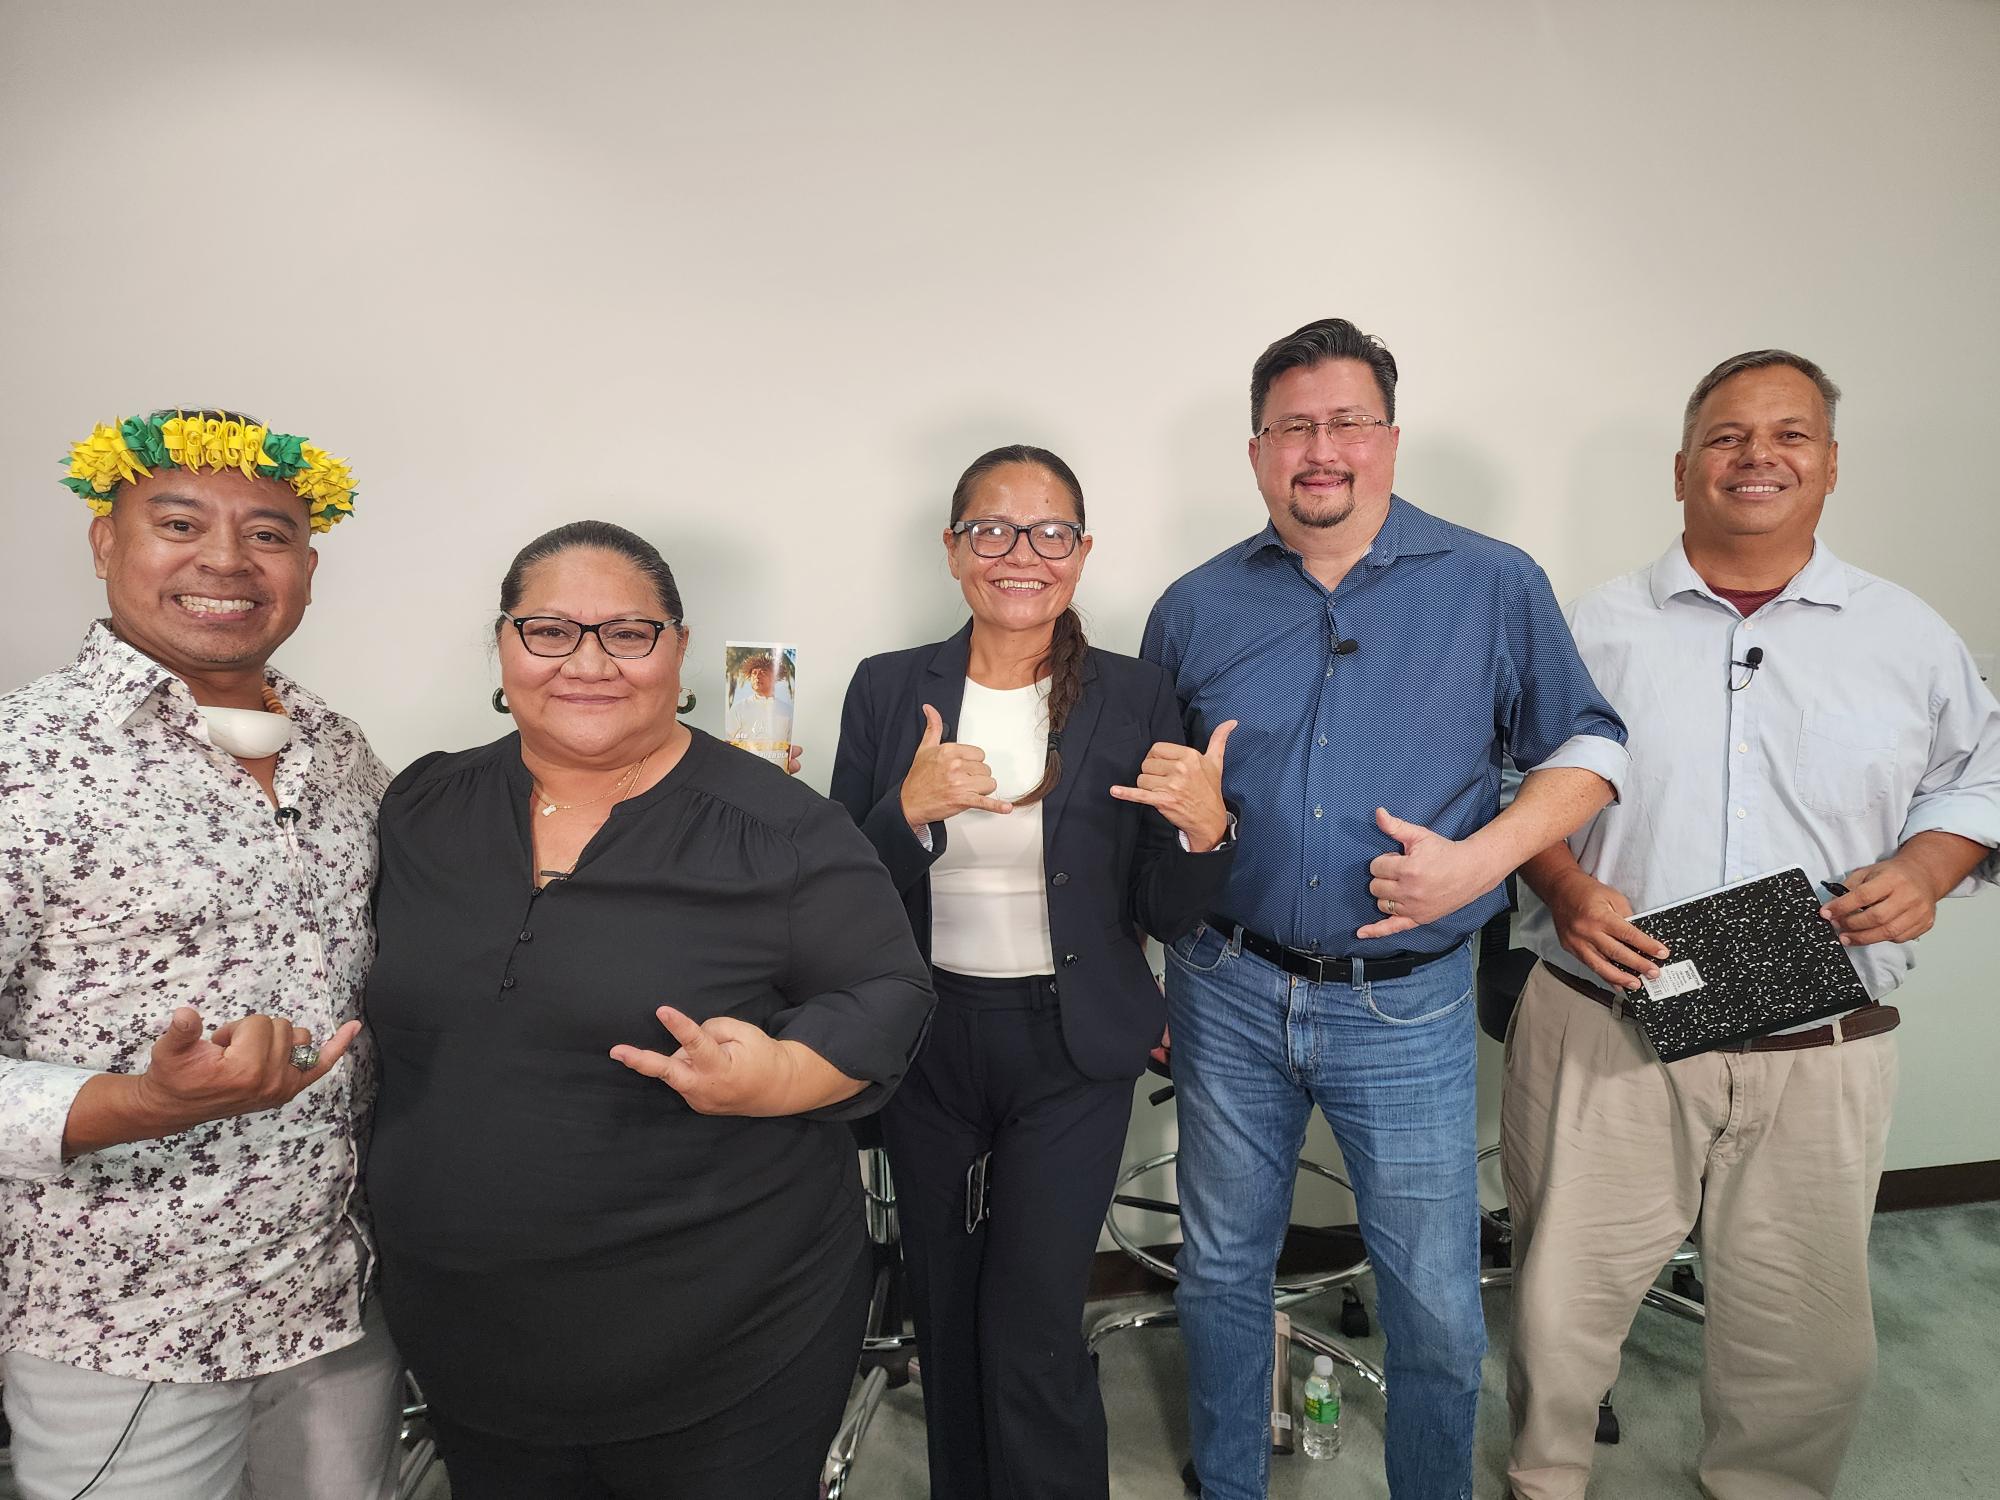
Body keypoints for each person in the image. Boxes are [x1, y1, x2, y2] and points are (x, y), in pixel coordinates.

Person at [1140, 319, 1630, 1500]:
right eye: (1293, 426)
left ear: (1390, 440)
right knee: (1217, 1269)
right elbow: (1153, 803)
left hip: (1403, 1007)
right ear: (1257, 452)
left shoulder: (1490, 581)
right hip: (1227, 984)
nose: (1321, 449)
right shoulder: (1194, 606)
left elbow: (1589, 747)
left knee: (1431, 1297)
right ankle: (1226, 1482)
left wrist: (1485, 861)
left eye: (1346, 422)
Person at [1503, 350, 2000, 1500]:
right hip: (1610, 1014)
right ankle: (1543, 1479)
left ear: (1829, 466)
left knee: (1800, 1318)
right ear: (1681, 470)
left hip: (1819, 1033)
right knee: (1561, 1299)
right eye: (1727, 437)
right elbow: (1502, 789)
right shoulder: (1590, 628)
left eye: (1788, 435)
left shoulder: (1905, 634)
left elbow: (1979, 778)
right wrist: (1570, 892)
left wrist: (1929, 865)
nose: (1755, 456)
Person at [364, 519, 933, 1500]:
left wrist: (774, 1075)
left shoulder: (779, 829)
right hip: (468, 1329)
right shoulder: (422, 805)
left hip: (722, 1338)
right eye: (549, 630)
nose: (588, 661)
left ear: (675, 647)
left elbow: (888, 993)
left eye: (626, 632)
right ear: (503, 646)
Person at [0, 411, 402, 1499]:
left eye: (267, 535)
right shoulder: (22, 761)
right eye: (178, 522)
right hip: (126, 1323)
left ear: (307, 568)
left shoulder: (344, 750)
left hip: (336, 1306)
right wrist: (140, 1103)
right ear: (104, 540)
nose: (225, 561)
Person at [831, 444, 1236, 1500]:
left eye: (1050, 531)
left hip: (1070, 1047)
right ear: (954, 550)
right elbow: (834, 897)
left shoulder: (1137, 694)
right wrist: (905, 810)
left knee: (1034, 1316)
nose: (1023, 553)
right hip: (925, 1041)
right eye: (992, 530)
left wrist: (1205, 834)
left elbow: (1158, 907)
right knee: (946, 1302)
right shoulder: (886, 689)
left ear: (1082, 552)